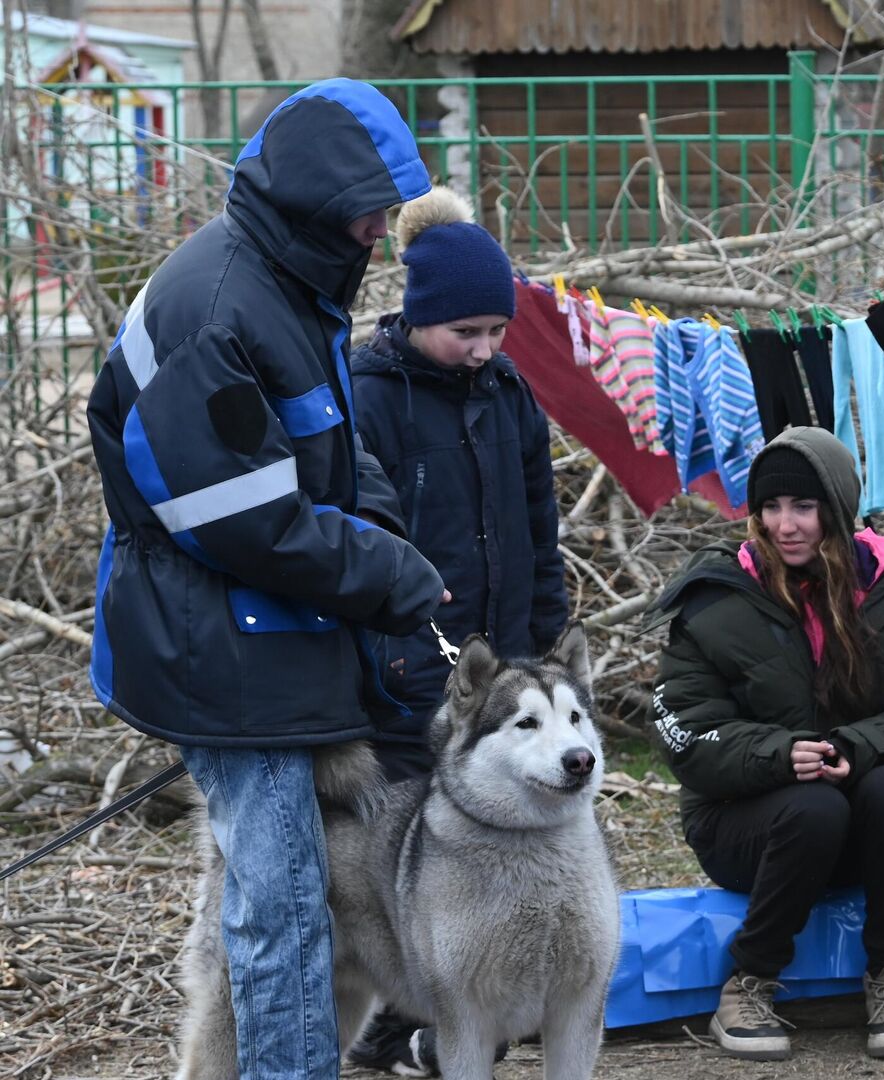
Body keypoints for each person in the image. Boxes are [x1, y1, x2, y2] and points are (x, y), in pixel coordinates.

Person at [87, 79, 446, 1079]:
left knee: (288, 905)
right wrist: (382, 570)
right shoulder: (220, 306)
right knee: (283, 907)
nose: (385, 228)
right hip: (216, 638)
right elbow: (238, 519)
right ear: (321, 201)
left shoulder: (295, 281)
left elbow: (330, 449)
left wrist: (378, 523)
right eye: (374, 207)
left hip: (275, 629)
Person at [646, 427, 884, 1062]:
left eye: (803, 507)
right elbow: (683, 728)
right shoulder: (716, 600)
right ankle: (749, 983)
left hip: (861, 829)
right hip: (746, 829)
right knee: (815, 805)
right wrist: (777, 754)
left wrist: (858, 745)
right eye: (770, 507)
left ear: (838, 510)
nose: (785, 524)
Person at [342, 187, 569, 1075]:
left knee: (494, 842)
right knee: (410, 852)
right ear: (420, 316)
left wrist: (543, 647)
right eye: (464, 333)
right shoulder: (369, 396)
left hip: (504, 665)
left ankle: (463, 1016)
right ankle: (396, 1028)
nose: (482, 350)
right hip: (407, 671)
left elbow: (538, 525)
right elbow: (361, 531)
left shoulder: (509, 393)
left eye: (495, 333)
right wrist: (395, 645)